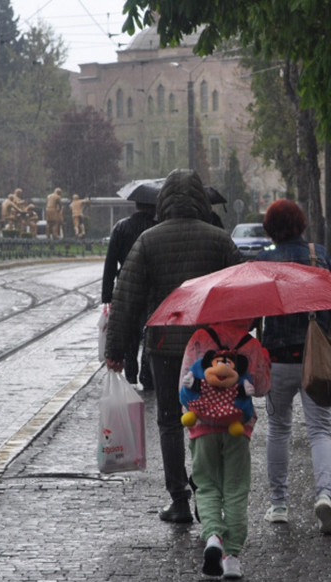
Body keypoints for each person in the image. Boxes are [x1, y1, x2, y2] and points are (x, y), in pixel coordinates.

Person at [105, 169, 243, 525]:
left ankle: (179, 500)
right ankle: (206, 493)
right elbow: (241, 292)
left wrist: (116, 350)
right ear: (200, 200)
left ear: (163, 199)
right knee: (210, 419)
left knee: (169, 420)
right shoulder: (219, 240)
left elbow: (126, 298)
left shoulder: (148, 240)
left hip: (164, 345)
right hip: (209, 350)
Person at [255, 199, 331, 534]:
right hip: (314, 358)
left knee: (278, 429)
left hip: (277, 359)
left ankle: (279, 504)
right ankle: (325, 496)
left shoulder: (265, 260)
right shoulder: (317, 255)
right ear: (301, 223)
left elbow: (254, 311)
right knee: (320, 430)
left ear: (270, 228)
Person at [178, 321, 270, 579]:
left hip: (202, 428)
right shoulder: (251, 344)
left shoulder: (199, 337)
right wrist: (262, 358)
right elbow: (262, 387)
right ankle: (232, 559)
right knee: (236, 489)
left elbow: (182, 385)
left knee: (207, 486)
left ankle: (213, 537)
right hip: (237, 428)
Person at [102, 202, 159, 387]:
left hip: (126, 285)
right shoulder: (157, 227)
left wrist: (107, 295)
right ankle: (146, 375)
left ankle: (131, 373)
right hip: (151, 286)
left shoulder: (121, 227)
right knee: (148, 329)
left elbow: (110, 263)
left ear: (136, 205)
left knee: (129, 329)